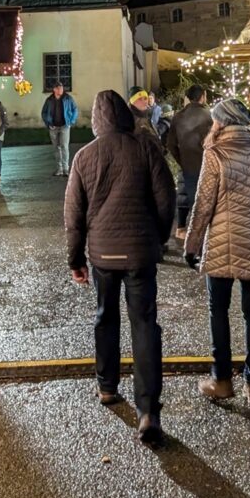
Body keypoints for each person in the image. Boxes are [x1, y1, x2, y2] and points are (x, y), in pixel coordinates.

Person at [64, 89, 176, 446]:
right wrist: (156, 239)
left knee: (105, 315)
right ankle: (147, 411)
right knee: (144, 324)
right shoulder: (146, 148)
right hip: (140, 252)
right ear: (126, 116)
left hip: (102, 255)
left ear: (97, 120)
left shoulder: (85, 156)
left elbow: (73, 216)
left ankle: (107, 385)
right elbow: (166, 199)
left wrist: (76, 259)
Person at [184, 96, 250, 410]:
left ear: (222, 122)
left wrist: (192, 245)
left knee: (218, 310)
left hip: (223, 244)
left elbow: (203, 205)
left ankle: (221, 380)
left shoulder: (216, 154)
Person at [166, 84, 211, 239]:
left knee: (194, 203)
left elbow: (170, 144)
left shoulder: (178, 117)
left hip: (189, 167)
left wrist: (182, 160)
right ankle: (206, 237)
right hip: (208, 166)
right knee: (208, 203)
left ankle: (195, 238)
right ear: (202, 96)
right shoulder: (209, 115)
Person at [41, 80, 78, 177]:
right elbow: (44, 112)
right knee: (56, 148)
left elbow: (75, 109)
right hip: (53, 127)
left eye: (61, 88)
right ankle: (59, 169)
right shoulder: (49, 100)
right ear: (54, 89)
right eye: (58, 88)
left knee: (64, 147)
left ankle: (66, 169)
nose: (60, 89)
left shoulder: (68, 98)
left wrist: (71, 121)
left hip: (65, 126)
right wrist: (48, 123)